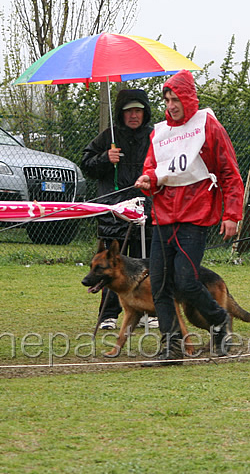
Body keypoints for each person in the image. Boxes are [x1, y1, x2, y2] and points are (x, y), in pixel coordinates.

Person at [134, 69, 244, 362]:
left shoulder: (208, 126)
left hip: (195, 216)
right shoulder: (159, 132)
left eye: (175, 99)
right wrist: (148, 180)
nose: (171, 105)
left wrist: (231, 214)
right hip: (162, 217)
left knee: (184, 280)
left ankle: (218, 319)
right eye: (167, 99)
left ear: (188, 99)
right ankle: (171, 346)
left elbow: (230, 174)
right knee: (159, 283)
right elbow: (153, 169)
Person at [81, 89, 155, 330]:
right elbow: (87, 165)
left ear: (145, 113)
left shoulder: (156, 136)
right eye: (129, 111)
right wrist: (105, 157)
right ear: (121, 114)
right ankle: (108, 315)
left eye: (138, 111)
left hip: (146, 210)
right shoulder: (107, 137)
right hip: (114, 213)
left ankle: (148, 311)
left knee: (146, 265)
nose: (134, 115)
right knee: (111, 266)